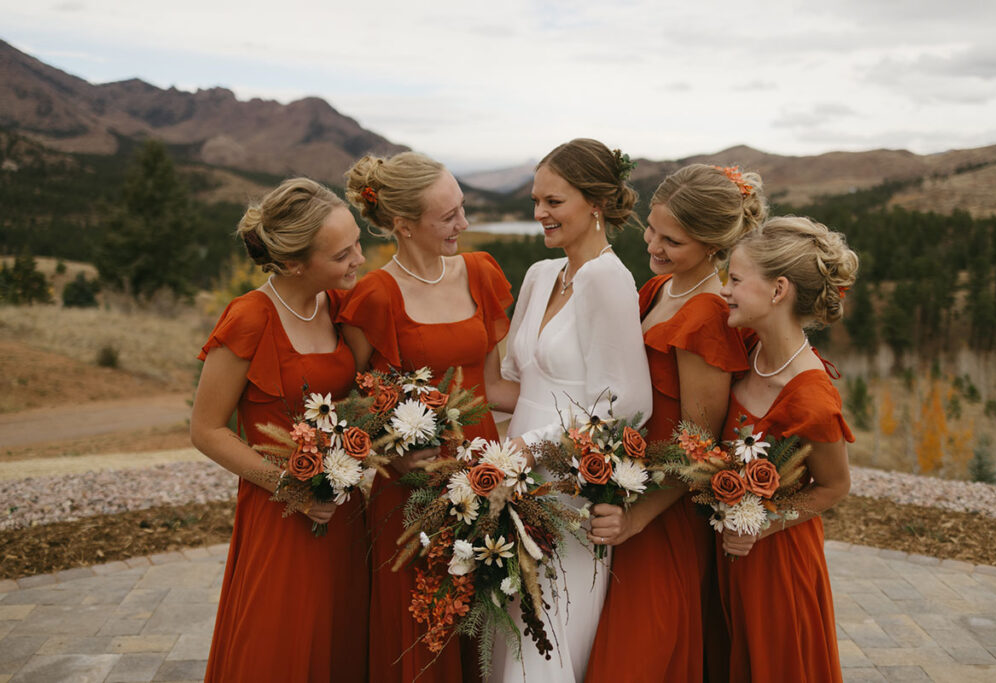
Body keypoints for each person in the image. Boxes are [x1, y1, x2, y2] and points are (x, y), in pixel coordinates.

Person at [339, 151, 516, 683]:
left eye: (462, 208)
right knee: (421, 626)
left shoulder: (481, 272)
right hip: (412, 488)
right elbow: (353, 403)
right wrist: (392, 443)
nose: (463, 224)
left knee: (487, 622)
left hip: (487, 472)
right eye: (448, 217)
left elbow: (495, 383)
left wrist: (576, 407)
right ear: (403, 225)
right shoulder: (373, 296)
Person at [586, 164, 767, 682]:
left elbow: (700, 445)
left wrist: (637, 518)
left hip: (661, 512)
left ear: (712, 246)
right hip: (625, 491)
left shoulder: (706, 316)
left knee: (635, 656)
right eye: (652, 229)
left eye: (673, 240)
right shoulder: (660, 288)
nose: (654, 245)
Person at [191, 178, 369, 682]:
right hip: (280, 507)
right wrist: (291, 486)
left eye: (357, 242)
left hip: (344, 508)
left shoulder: (335, 306)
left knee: (340, 637)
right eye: (342, 253)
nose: (358, 258)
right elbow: (206, 429)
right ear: (294, 263)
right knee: (280, 643)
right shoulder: (248, 317)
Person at [491, 138, 652, 683]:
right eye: (536, 200)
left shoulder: (609, 279)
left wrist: (528, 448)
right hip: (509, 478)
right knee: (507, 624)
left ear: (596, 204)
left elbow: (624, 403)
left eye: (554, 201)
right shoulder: (540, 275)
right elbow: (516, 383)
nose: (540, 213)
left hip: (566, 484)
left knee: (546, 635)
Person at [716, 215, 858, 682]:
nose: (725, 290)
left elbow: (835, 487)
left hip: (778, 565)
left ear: (778, 291)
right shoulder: (744, 347)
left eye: (735, 280)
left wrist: (761, 526)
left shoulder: (812, 395)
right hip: (725, 555)